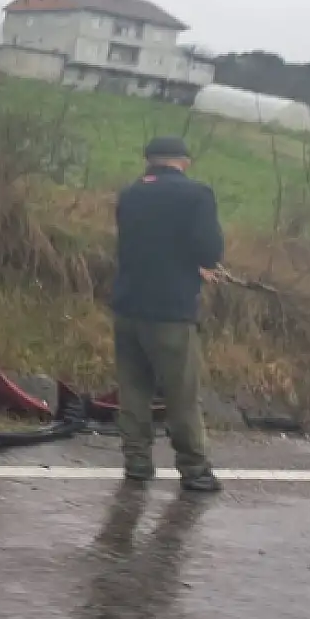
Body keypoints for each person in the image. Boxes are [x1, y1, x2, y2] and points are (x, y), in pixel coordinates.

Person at [111, 135, 224, 491]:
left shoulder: (129, 195)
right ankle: (194, 469)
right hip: (171, 310)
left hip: (128, 306)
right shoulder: (197, 195)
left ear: (148, 161)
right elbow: (208, 250)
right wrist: (202, 266)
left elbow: (144, 243)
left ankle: (137, 462)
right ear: (185, 162)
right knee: (181, 393)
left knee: (133, 389)